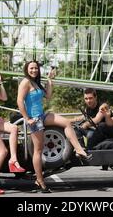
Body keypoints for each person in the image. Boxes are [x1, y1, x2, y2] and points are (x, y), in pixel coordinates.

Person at [17, 61, 92, 193]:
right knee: (38, 151)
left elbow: (48, 96)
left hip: (43, 115)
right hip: (35, 120)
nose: (34, 70)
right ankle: (39, 180)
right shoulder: (25, 82)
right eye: (31, 68)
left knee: (67, 123)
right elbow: (19, 101)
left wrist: (50, 80)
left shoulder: (35, 82)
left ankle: (79, 150)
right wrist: (27, 119)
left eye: (36, 68)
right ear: (26, 69)